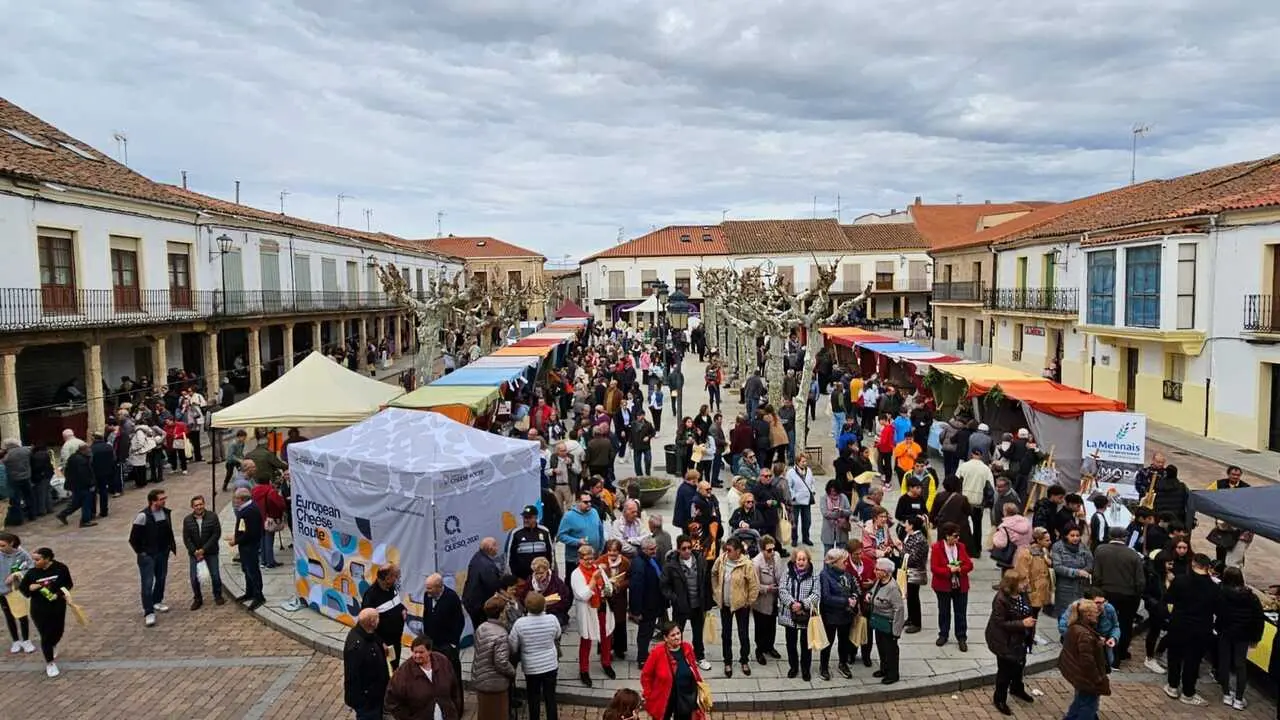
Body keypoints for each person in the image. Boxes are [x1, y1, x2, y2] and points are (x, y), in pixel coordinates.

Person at [1162, 553, 1219, 707]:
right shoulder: (1214, 588)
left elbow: (1168, 599)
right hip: (1201, 628)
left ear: (1193, 564)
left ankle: (1172, 686)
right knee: (1193, 661)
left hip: (1179, 624)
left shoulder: (1181, 580)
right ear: (1207, 567)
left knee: (1174, 656)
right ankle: (1188, 693)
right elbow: (1217, 609)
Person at [1091, 526, 1144, 668]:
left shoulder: (1101, 550)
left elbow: (1096, 574)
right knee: (1125, 624)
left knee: (1105, 622)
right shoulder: (1133, 555)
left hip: (1106, 592)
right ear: (1125, 538)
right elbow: (1140, 580)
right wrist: (1137, 594)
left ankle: (1104, 654)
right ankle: (1120, 653)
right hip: (1128, 595)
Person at [986, 569, 1037, 715]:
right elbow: (1000, 623)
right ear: (1013, 584)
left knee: (1019, 665)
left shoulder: (1022, 594)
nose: (1026, 583)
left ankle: (1016, 689)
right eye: (1023, 582)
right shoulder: (1001, 599)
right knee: (1005, 671)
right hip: (1005, 641)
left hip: (1021, 639)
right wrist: (1022, 623)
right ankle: (999, 699)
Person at [1215, 566, 1264, 711]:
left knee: (1224, 663)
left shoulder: (1221, 593)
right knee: (1240, 665)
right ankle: (1239, 698)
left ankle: (1226, 694)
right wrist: (1256, 637)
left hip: (1225, 633)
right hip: (1243, 635)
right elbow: (1258, 619)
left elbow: (1218, 612)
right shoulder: (1251, 597)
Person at [19, 546, 73, 677]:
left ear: (47, 559)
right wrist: (30, 588)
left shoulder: (61, 568)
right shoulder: (32, 573)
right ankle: (50, 663)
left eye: (37, 560)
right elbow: (23, 588)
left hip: (57, 606)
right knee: (45, 635)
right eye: (33, 560)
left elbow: (68, 584)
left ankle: (53, 644)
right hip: (39, 609)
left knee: (58, 631)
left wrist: (58, 594)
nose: (34, 562)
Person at [661, 534, 712, 671]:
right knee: (677, 633)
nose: (687, 551)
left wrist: (707, 601)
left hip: (698, 605)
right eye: (684, 548)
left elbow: (706, 581)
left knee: (698, 633)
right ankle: (676, 659)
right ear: (678, 549)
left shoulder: (700, 560)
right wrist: (675, 598)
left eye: (689, 547)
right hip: (681, 606)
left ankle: (699, 657)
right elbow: (664, 586)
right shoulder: (671, 565)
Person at [509, 591, 563, 720]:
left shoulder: (520, 623)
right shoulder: (552, 619)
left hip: (531, 667)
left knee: (533, 697)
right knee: (550, 696)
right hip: (550, 664)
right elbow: (558, 634)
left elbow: (513, 646)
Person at [711, 536, 759, 678]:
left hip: (741, 606)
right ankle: (727, 662)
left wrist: (749, 601)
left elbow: (754, 585)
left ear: (738, 551)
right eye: (726, 549)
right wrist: (716, 591)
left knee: (743, 634)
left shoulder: (746, 564)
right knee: (726, 634)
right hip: (725, 605)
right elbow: (714, 573)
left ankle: (744, 660)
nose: (727, 552)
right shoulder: (722, 560)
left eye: (730, 550)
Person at [384, 635, 463, 720]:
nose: (417, 655)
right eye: (415, 652)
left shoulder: (443, 662)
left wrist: (455, 711)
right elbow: (392, 700)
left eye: (421, 652)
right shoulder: (403, 673)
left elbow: (454, 689)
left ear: (429, 651)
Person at [128, 488, 177, 627]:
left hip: (162, 552)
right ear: (153, 501)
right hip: (148, 556)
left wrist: (168, 548)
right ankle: (148, 612)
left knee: (161, 578)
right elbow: (133, 538)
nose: (164, 501)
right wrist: (142, 552)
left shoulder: (165, 513)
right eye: (161, 499)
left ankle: (157, 601)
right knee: (147, 583)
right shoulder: (143, 516)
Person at [569, 544, 616, 686]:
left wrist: (608, 589)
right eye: (586, 559)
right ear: (580, 559)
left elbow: (607, 585)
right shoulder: (576, 574)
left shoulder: (597, 568)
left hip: (602, 608)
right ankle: (584, 670)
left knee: (606, 636)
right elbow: (582, 595)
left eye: (591, 558)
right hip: (588, 610)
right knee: (587, 640)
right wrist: (594, 581)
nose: (590, 562)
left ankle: (606, 663)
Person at [640, 622, 707, 720]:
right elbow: (646, 675)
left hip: (685, 697)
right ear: (665, 638)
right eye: (673, 635)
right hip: (664, 698)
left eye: (678, 633)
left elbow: (694, 668)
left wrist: (699, 684)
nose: (677, 637)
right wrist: (649, 695)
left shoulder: (687, 647)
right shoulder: (657, 652)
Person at [1058, 599, 1110, 720]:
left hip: (1078, 675)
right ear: (1088, 615)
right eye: (1096, 612)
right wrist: (1097, 679)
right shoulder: (1085, 634)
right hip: (1086, 677)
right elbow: (1087, 661)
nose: (1098, 614)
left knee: (1080, 701)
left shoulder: (1075, 627)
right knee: (1089, 706)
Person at [471, 596, 516, 720]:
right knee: (498, 714)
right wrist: (512, 671)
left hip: (480, 677)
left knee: (484, 713)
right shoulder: (501, 634)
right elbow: (501, 662)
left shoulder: (481, 627)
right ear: (500, 613)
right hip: (495, 683)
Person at [931, 522, 974, 651]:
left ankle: (961, 637)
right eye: (955, 536)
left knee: (961, 612)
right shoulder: (937, 548)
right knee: (944, 611)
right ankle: (943, 634)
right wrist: (949, 570)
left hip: (960, 585)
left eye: (958, 536)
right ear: (947, 536)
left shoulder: (961, 547)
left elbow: (969, 564)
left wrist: (960, 569)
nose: (957, 538)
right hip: (943, 586)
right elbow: (934, 568)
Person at [778, 547, 819, 680]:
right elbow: (782, 590)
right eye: (798, 559)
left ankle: (805, 669)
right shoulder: (787, 572)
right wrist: (792, 604)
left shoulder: (814, 575)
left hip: (805, 614)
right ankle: (793, 667)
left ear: (808, 560)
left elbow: (816, 594)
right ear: (794, 560)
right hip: (789, 614)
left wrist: (802, 604)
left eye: (804, 559)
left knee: (806, 644)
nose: (801, 562)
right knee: (791, 643)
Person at [343, 608, 390, 720]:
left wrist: (381, 643)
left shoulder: (363, 631)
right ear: (372, 622)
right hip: (368, 700)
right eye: (377, 618)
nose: (379, 620)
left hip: (376, 694)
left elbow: (373, 636)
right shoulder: (357, 647)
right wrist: (365, 697)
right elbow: (354, 676)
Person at [818, 547, 856, 680]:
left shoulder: (847, 574)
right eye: (843, 561)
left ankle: (843, 663)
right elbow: (826, 597)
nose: (846, 563)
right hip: (831, 616)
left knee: (844, 641)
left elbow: (854, 588)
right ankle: (823, 666)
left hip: (846, 614)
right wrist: (846, 601)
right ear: (834, 562)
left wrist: (854, 597)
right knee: (828, 642)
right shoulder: (824, 575)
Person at [628, 537, 667, 666]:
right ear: (643, 549)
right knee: (644, 633)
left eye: (655, 548)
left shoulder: (651, 559)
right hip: (646, 606)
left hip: (654, 603)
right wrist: (636, 611)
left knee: (649, 631)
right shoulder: (639, 564)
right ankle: (642, 658)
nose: (654, 551)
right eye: (651, 549)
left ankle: (644, 654)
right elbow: (635, 589)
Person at [181, 495, 224, 610]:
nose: (199, 507)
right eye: (196, 505)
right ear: (192, 507)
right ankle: (197, 599)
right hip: (194, 553)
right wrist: (194, 551)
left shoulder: (212, 517)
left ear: (204, 504)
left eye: (200, 504)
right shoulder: (187, 520)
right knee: (194, 578)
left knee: (215, 575)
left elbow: (216, 534)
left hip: (211, 551)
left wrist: (204, 549)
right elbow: (186, 538)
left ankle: (218, 595)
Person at [867, 557, 905, 685]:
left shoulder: (893, 588)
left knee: (890, 650)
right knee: (881, 647)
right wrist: (870, 595)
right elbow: (874, 591)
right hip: (879, 621)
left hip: (888, 624)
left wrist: (896, 631)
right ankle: (884, 668)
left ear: (886, 572)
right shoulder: (879, 581)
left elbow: (899, 609)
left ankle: (893, 674)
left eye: (878, 569)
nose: (875, 571)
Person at [421, 574, 465, 683]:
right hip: (432, 642)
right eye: (427, 587)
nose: (427, 591)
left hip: (447, 645)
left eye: (430, 588)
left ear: (439, 587)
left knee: (452, 673)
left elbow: (459, 621)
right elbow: (426, 616)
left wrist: (453, 643)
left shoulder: (452, 597)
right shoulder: (427, 596)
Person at [361, 565, 406, 669]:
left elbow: (395, 603)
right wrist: (381, 643)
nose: (397, 579)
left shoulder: (391, 587)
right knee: (385, 669)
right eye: (395, 576)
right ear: (387, 578)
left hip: (396, 640)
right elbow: (367, 625)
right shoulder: (371, 597)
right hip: (384, 645)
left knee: (394, 666)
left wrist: (402, 609)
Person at [228, 487, 265, 610]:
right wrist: (236, 537)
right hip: (245, 546)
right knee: (246, 569)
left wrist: (236, 541)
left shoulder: (250, 511)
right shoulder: (245, 509)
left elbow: (250, 533)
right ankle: (250, 592)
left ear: (242, 499)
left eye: (236, 498)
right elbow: (243, 529)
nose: (234, 500)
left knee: (253, 570)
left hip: (250, 546)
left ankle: (259, 596)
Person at [751, 535, 786, 665]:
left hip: (773, 599)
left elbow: (781, 575)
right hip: (761, 600)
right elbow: (754, 585)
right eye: (769, 550)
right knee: (761, 626)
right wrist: (767, 588)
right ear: (762, 550)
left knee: (771, 624)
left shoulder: (776, 556)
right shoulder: (756, 562)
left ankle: (770, 647)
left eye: (773, 549)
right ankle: (759, 650)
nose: (772, 552)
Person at [0, 532, 35, 654]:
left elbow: (31, 568)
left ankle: (26, 640)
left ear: (11, 543)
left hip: (16, 590)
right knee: (8, 616)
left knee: (22, 615)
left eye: (3, 545)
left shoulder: (22, 554)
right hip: (2, 591)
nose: (1, 548)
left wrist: (17, 574)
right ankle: (16, 641)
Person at [558, 493, 605, 578]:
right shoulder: (569, 516)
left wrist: (601, 548)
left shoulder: (594, 512)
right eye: (586, 502)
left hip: (593, 558)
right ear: (577, 502)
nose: (589, 504)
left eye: (590, 501)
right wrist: (577, 541)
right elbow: (561, 536)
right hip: (575, 560)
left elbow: (600, 530)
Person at [956, 448, 993, 557]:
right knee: (977, 526)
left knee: (961, 524)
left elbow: (956, 481)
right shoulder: (986, 469)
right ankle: (977, 550)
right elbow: (990, 487)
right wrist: (986, 502)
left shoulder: (963, 466)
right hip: (978, 501)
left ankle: (961, 547)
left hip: (963, 500)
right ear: (981, 455)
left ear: (971, 454)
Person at [1051, 523, 1094, 614]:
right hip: (1064, 588)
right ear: (1066, 535)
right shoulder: (1058, 547)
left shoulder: (1083, 547)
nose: (1075, 538)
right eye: (1072, 535)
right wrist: (1076, 572)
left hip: (1080, 587)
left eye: (1077, 536)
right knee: (1065, 614)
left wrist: (1084, 571)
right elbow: (1057, 567)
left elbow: (1090, 563)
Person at [504, 505, 555, 581]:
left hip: (541, 577)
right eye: (524, 517)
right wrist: (513, 577)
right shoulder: (516, 533)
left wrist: (550, 572)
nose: (526, 520)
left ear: (535, 518)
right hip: (521, 578)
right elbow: (509, 556)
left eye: (529, 518)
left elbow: (550, 553)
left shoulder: (545, 532)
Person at [1013, 527, 1055, 619]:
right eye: (1047, 540)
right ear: (1038, 540)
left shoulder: (1044, 551)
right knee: (1029, 617)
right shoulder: (1026, 554)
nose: (1050, 542)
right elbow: (1022, 574)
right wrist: (1029, 590)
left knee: (1034, 616)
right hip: (1032, 593)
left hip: (1041, 592)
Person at [250, 475, 286, 570]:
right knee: (269, 539)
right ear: (269, 481)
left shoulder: (254, 490)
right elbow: (280, 504)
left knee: (262, 539)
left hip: (257, 518)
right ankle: (270, 562)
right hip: (269, 518)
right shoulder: (271, 491)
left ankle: (263, 560)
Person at [901, 514, 929, 633]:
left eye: (906, 523)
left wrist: (901, 551)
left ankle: (916, 623)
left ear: (912, 526)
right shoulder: (911, 536)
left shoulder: (919, 540)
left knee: (914, 597)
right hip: (908, 571)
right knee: (910, 596)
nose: (905, 525)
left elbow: (913, 558)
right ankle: (911, 618)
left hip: (915, 572)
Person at [786, 454, 816, 547]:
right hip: (795, 501)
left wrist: (813, 490)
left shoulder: (809, 470)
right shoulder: (791, 472)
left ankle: (806, 538)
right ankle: (794, 539)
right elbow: (788, 486)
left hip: (806, 500)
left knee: (807, 520)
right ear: (797, 462)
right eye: (802, 461)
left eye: (805, 461)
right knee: (794, 521)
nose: (804, 463)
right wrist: (793, 496)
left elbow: (812, 482)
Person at [819, 479, 853, 552]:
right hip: (828, 530)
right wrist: (839, 514)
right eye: (831, 491)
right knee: (828, 554)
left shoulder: (843, 497)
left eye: (835, 491)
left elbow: (849, 511)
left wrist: (841, 510)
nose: (833, 493)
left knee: (842, 554)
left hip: (841, 530)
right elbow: (825, 513)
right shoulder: (824, 498)